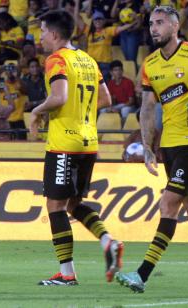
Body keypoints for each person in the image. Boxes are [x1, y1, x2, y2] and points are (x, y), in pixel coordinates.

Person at [115, 5, 188, 294]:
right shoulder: (151, 64)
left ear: (174, 26)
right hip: (169, 144)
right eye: (151, 23)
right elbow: (146, 107)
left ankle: (142, 274)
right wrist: (146, 146)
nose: (153, 28)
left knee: (169, 202)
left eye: (159, 22)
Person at [28, 10, 123, 286]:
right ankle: (108, 240)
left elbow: (59, 96)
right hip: (88, 142)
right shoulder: (87, 59)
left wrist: (37, 110)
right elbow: (105, 99)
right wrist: (79, 113)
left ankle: (67, 274)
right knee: (73, 204)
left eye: (43, 31)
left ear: (55, 34)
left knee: (55, 206)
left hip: (64, 144)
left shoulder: (57, 59)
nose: (41, 36)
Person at [104, 60, 137, 127]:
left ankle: (123, 128)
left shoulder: (128, 82)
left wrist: (118, 109)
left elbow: (131, 101)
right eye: (115, 70)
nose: (118, 72)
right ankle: (108, 127)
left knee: (124, 110)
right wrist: (111, 108)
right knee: (103, 110)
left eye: (120, 70)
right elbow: (110, 100)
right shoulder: (110, 83)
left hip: (129, 106)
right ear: (111, 72)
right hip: (117, 105)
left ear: (122, 71)